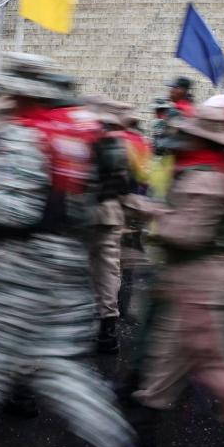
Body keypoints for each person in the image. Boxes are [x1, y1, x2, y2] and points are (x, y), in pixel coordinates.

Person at [0, 53, 136, 447]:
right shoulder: (82, 130)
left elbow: (16, 212)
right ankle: (119, 444)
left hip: (17, 266)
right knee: (56, 363)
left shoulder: (22, 136)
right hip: (67, 262)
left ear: (17, 92)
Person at [132, 104, 224, 447]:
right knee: (172, 353)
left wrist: (152, 213)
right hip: (209, 277)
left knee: (219, 359)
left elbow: (187, 235)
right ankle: (143, 422)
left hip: (200, 281)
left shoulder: (204, 178)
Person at [85, 94, 133, 354]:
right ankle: (108, 328)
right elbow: (127, 183)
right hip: (112, 213)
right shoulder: (120, 143)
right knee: (108, 271)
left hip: (86, 213)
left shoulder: (85, 140)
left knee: (80, 270)